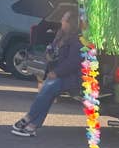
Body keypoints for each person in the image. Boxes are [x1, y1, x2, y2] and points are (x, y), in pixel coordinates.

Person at [11, 9, 81, 137]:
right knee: (46, 95)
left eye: (64, 19)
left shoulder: (76, 41)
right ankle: (32, 126)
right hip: (55, 73)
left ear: (70, 23)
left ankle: (28, 118)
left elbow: (73, 62)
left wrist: (56, 73)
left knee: (45, 93)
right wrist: (48, 54)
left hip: (68, 77)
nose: (61, 21)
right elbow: (52, 49)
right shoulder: (60, 35)